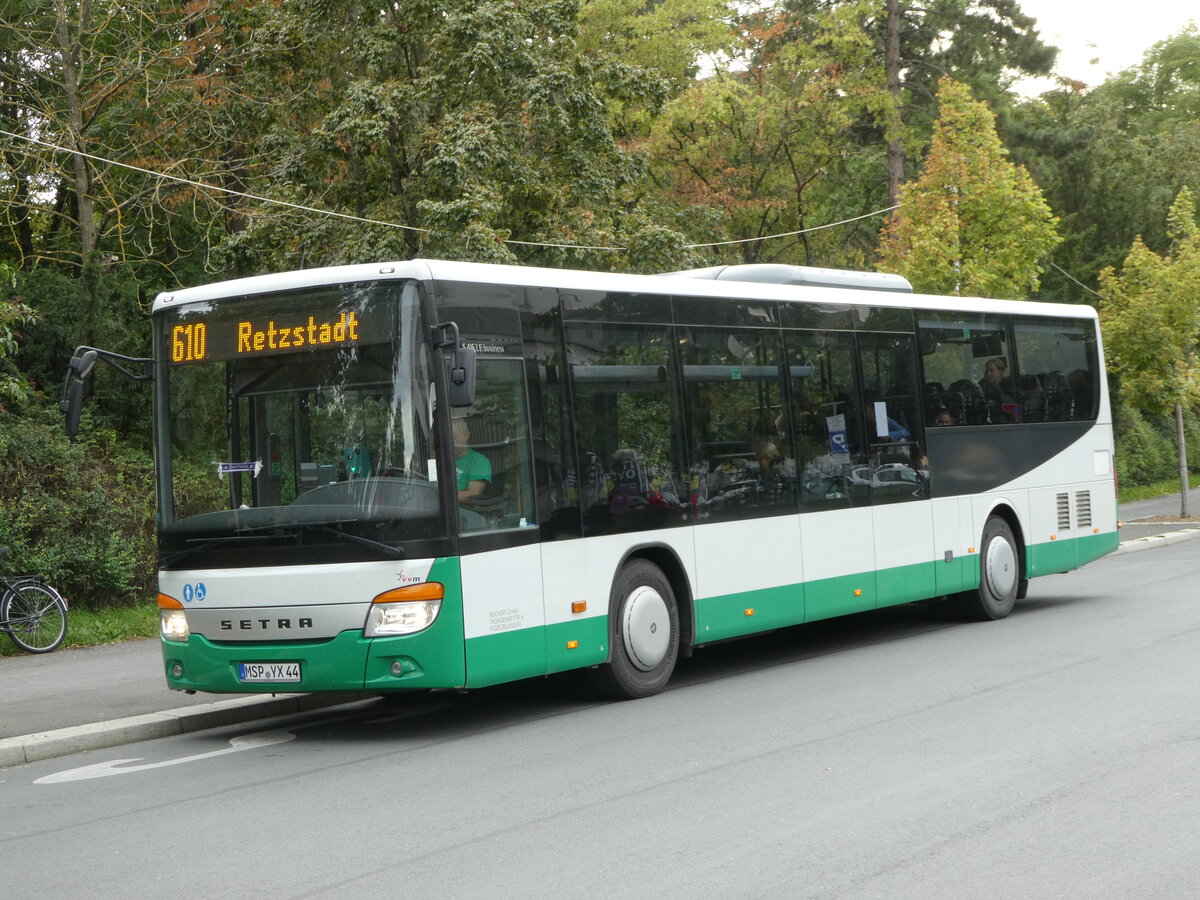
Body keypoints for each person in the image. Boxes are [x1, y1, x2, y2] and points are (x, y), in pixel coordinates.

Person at [452, 418, 491, 502]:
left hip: (465, 512)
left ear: (466, 436)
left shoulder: (478, 461)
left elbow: (474, 493)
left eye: (454, 437)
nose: (450, 442)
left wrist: (441, 497)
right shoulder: (440, 461)